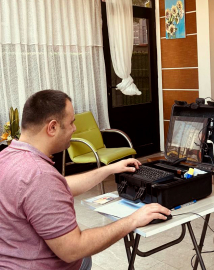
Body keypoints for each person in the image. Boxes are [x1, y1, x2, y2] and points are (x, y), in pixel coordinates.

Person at [0, 90, 171, 270]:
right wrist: (133, 220)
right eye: (71, 122)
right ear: (52, 127)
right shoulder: (40, 176)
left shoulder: (7, 157)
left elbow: (58, 187)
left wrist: (110, 168)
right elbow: (73, 249)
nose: (74, 128)